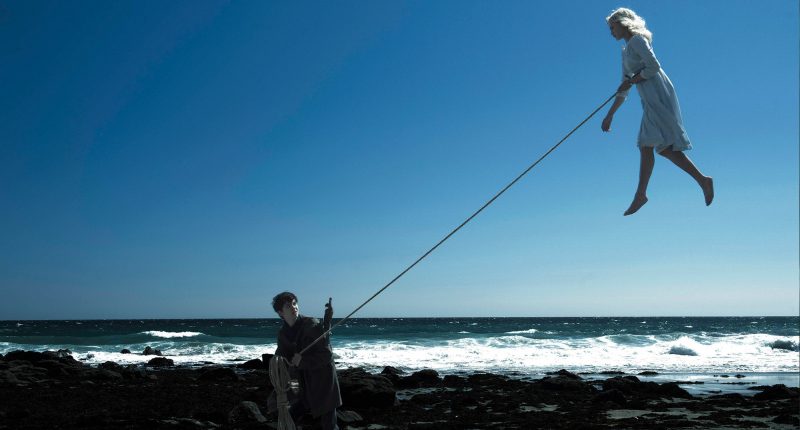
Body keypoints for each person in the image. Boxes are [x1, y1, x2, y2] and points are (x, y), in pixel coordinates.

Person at [601, 7, 714, 216]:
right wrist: (610, 115)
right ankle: (702, 180)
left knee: (647, 144)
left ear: (623, 22)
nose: (611, 32)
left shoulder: (637, 40)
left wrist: (633, 80)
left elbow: (653, 66)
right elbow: (624, 87)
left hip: (659, 95)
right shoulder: (625, 50)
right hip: (649, 99)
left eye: (612, 27)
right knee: (663, 149)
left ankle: (641, 195)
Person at [272, 291, 342, 430]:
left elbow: (326, 355)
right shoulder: (283, 334)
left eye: (294, 303)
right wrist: (278, 362)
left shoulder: (312, 325)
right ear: (280, 312)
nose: (294, 307)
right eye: (288, 306)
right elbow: (282, 356)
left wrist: (302, 361)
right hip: (303, 384)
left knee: (329, 425)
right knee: (290, 416)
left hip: (323, 381)